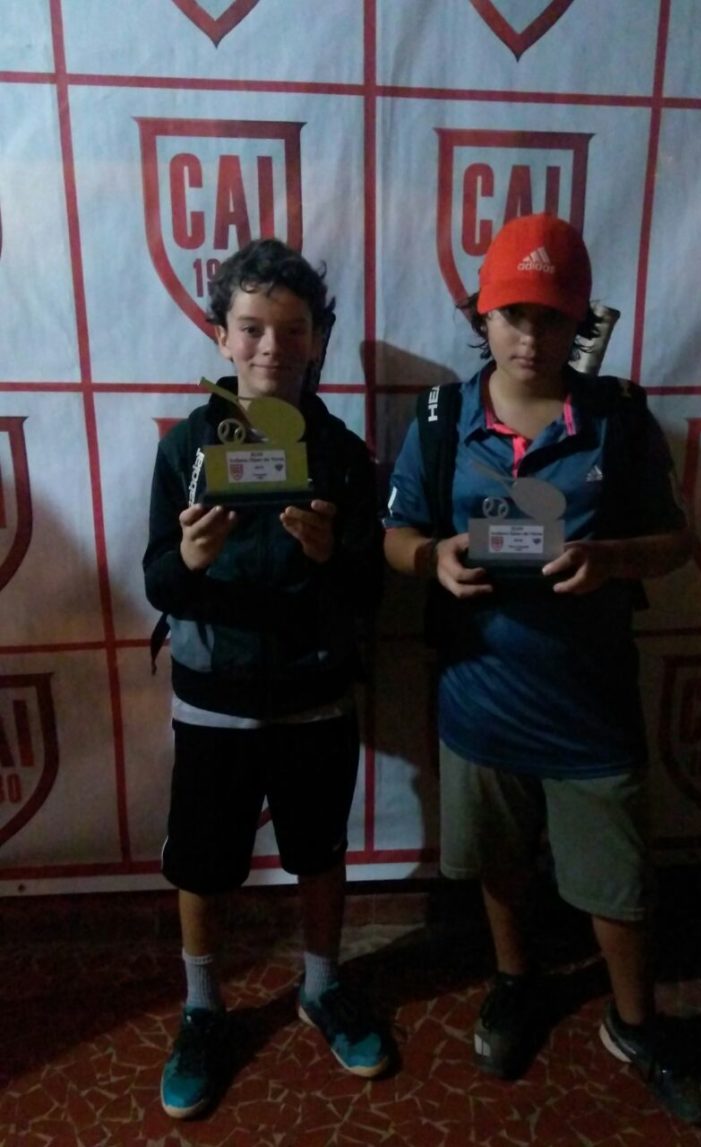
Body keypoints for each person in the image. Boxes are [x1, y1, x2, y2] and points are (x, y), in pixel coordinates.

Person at [383, 214, 701, 1126]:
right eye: (512, 314)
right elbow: (397, 532)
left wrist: (613, 559)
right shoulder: (442, 418)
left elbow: (676, 542)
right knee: (499, 860)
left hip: (588, 701)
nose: (530, 336)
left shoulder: (618, 418)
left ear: (580, 321)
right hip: (479, 694)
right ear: (482, 316)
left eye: (551, 317)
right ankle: (515, 979)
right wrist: (431, 560)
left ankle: (635, 1021)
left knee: (621, 886)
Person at [144, 238, 387, 1119]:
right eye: (251, 328)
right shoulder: (187, 445)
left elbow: (369, 591)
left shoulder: (343, 453)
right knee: (202, 863)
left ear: (318, 338)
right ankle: (203, 1007)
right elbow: (157, 582)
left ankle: (322, 986)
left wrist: (330, 558)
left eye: (291, 329)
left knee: (319, 852)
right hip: (214, 702)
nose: (272, 348)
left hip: (316, 696)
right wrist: (189, 559)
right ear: (221, 336)